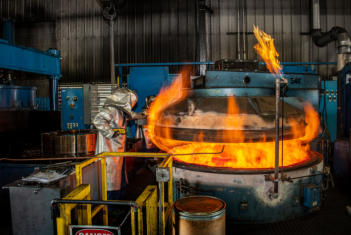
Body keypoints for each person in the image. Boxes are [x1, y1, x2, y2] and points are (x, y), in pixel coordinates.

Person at [93, 87, 142, 200]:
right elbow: (98, 119)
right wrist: (111, 133)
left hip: (118, 152)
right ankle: (110, 208)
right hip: (109, 150)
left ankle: (119, 202)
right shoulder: (112, 110)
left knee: (118, 178)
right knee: (110, 180)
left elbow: (133, 115)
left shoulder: (121, 112)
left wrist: (144, 115)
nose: (131, 105)